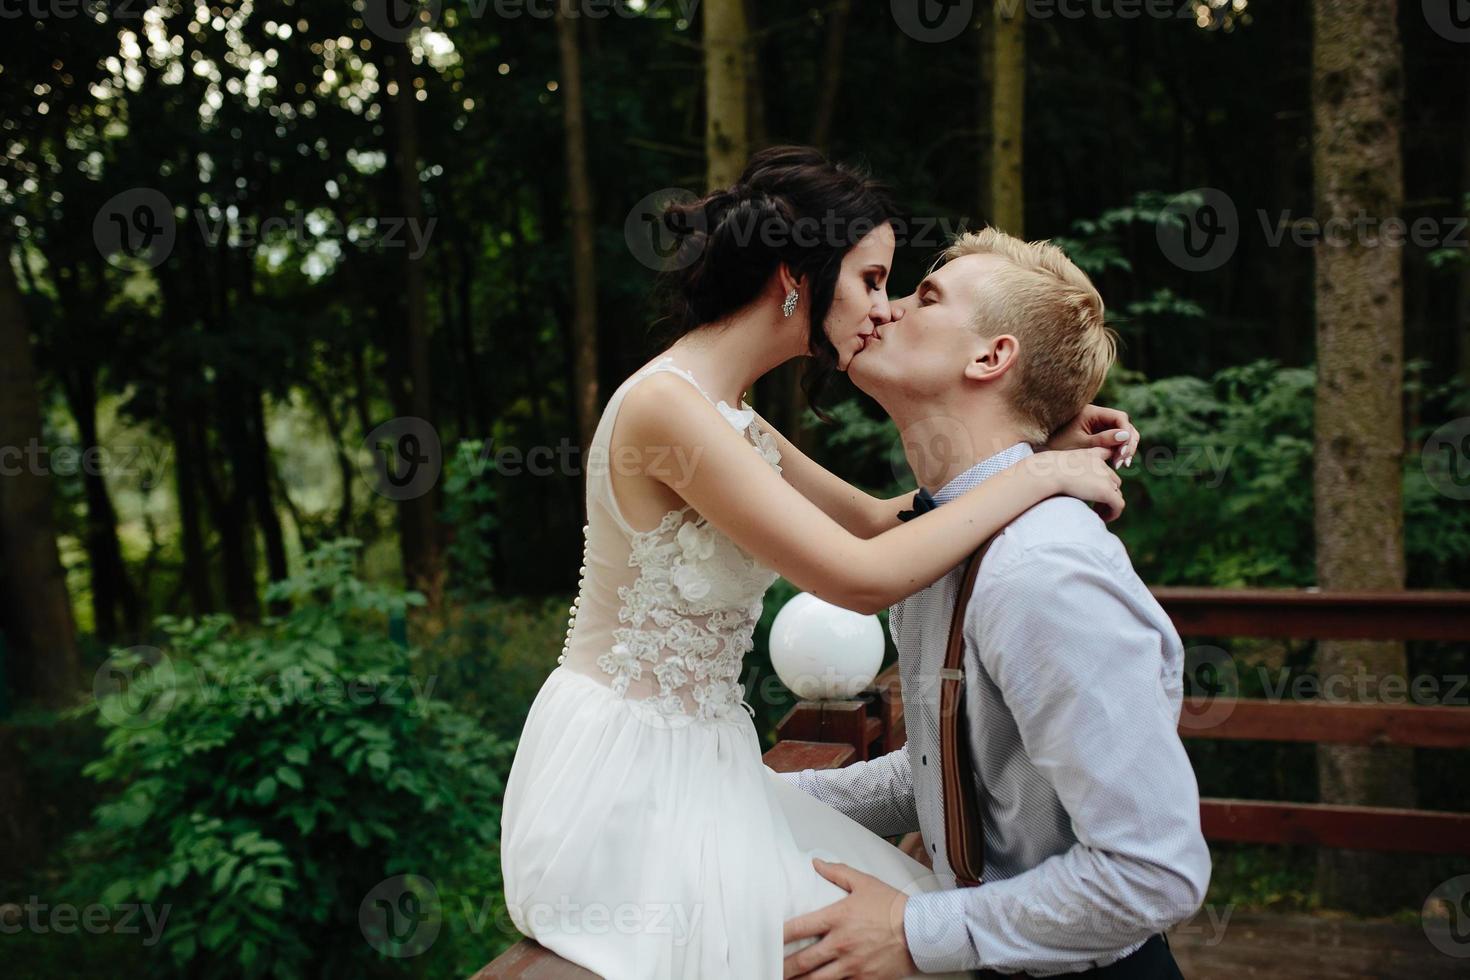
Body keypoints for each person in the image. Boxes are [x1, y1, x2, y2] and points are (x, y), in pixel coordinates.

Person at [500, 147, 1135, 979]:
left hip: (705, 766)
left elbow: (880, 521)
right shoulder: (665, 408)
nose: (884, 308)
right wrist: (1042, 475)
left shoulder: (737, 424)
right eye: (871, 280)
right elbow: (856, 575)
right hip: (623, 775)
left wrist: (1041, 435)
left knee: (897, 922)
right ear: (798, 273)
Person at [780, 229, 1210, 979]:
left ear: (990, 357)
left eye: (926, 296)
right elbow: (947, 767)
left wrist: (917, 931)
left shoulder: (1044, 570)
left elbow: (1154, 872)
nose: (885, 308)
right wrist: (752, 796)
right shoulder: (939, 541)